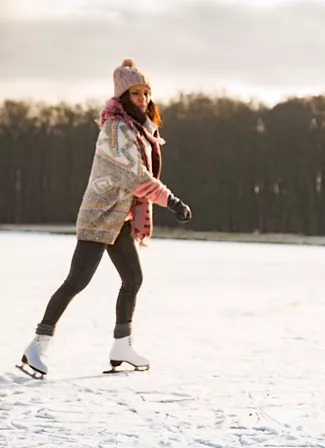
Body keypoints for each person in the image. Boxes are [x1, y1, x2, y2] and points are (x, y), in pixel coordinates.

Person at [17, 59, 193, 378]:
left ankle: (121, 346)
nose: (142, 99)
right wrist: (172, 200)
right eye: (136, 93)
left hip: (119, 218)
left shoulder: (139, 129)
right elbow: (134, 176)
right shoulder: (116, 128)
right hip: (100, 215)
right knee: (77, 280)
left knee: (133, 279)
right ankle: (38, 345)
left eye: (146, 93)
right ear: (123, 96)